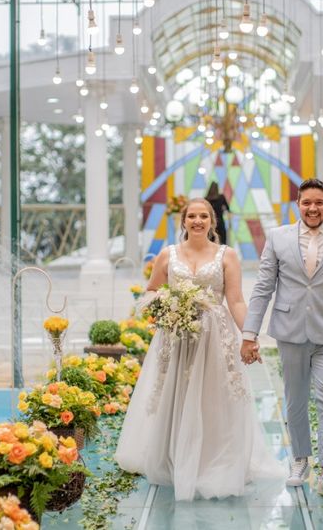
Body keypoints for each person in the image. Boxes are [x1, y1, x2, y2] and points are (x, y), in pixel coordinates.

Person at [115, 198, 284, 500]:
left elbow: (235, 300)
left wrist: (249, 335)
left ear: (212, 221)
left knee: (211, 396)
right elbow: (151, 291)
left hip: (215, 336)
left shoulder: (226, 255)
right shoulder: (168, 255)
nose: (197, 220)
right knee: (175, 392)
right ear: (183, 221)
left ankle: (211, 459)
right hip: (176, 337)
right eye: (191, 215)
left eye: (203, 216)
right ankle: (173, 455)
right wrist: (167, 305)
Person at [240, 178, 323, 500]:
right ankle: (300, 460)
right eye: (306, 203)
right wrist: (249, 334)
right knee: (296, 398)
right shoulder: (277, 238)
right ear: (297, 206)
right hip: (289, 330)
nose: (313, 208)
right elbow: (263, 288)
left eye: (319, 202)